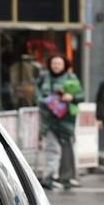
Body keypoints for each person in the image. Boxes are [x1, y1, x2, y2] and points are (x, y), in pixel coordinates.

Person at [37, 54, 82, 190]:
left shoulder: (71, 78)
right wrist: (43, 101)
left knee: (67, 148)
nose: (56, 66)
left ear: (65, 65)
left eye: (59, 63)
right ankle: (49, 177)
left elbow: (81, 95)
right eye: (54, 63)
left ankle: (66, 177)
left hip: (66, 119)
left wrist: (72, 97)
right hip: (49, 119)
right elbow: (37, 93)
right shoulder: (44, 77)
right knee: (52, 148)